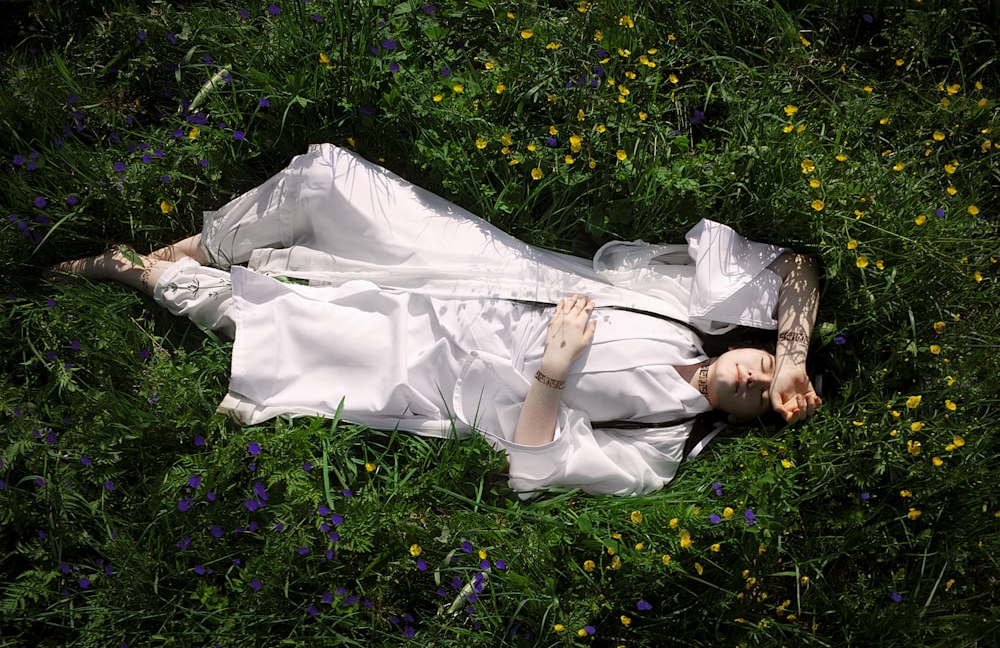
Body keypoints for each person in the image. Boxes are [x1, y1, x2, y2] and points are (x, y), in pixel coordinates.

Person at [49, 144, 821, 497]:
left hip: (433, 361)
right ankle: (192, 245)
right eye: (764, 371)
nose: (755, 380)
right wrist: (793, 357)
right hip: (466, 263)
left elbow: (535, 467)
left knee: (259, 323)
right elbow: (794, 268)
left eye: (759, 398)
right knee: (326, 176)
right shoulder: (692, 308)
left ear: (739, 416)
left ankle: (137, 271)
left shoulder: (658, 444)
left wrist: (555, 367)